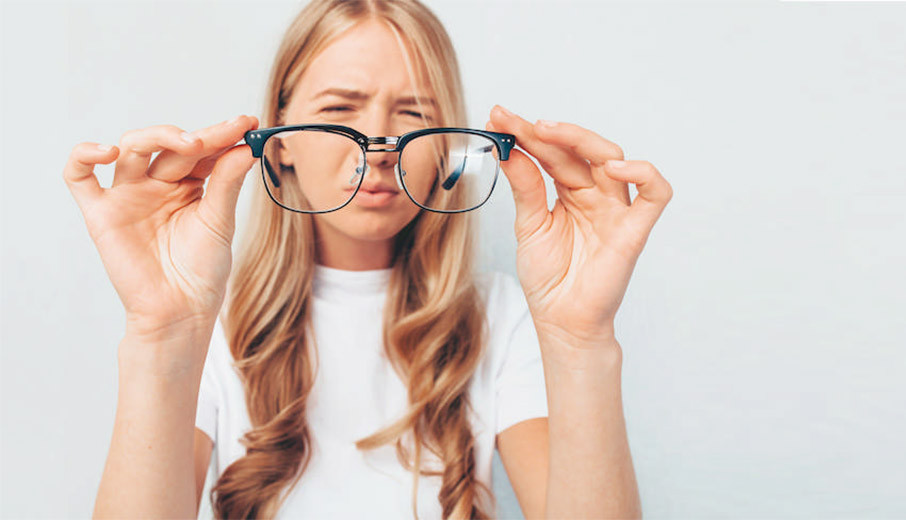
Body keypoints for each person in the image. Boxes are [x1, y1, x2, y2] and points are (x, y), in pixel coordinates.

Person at [64, 0, 671, 518]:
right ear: (281, 142)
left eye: (414, 114)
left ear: (448, 151)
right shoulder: (209, 322)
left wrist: (582, 339)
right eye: (339, 110)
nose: (380, 149)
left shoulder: (500, 316)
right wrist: (162, 334)